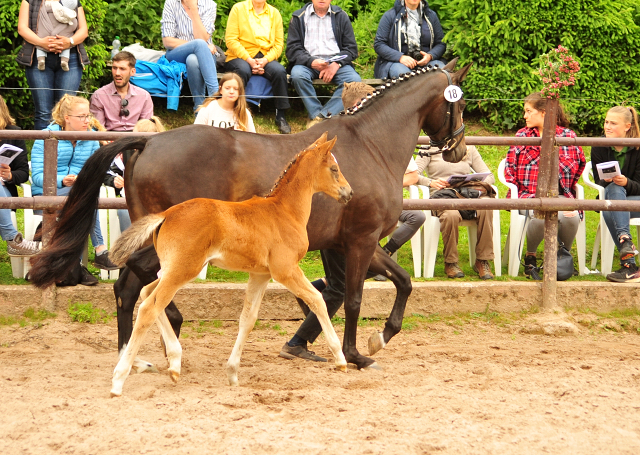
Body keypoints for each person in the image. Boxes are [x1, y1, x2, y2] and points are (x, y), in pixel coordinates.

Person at [30, 95, 119, 284]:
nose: (87, 121)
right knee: (83, 199)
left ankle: (75, 267)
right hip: (46, 194)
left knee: (81, 201)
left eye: (88, 116)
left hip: (77, 197)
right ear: (66, 118)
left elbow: (96, 173)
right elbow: (37, 177)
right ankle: (100, 251)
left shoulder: (92, 139)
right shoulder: (45, 137)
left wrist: (82, 180)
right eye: (81, 117)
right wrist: (62, 180)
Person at [505, 92, 586, 277]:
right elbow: (509, 169)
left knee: (571, 217)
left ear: (543, 113)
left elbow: (578, 165)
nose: (525, 116)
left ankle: (562, 257)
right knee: (540, 214)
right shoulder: (522, 135)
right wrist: (523, 194)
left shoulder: (568, 135)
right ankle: (530, 256)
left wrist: (569, 197)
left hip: (560, 195)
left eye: (528, 111)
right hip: (528, 195)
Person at [416, 145, 496, 280]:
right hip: (443, 195)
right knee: (451, 215)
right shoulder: (428, 148)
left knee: (486, 207)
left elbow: (490, 176)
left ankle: (483, 261)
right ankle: (451, 262)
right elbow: (413, 175)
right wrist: (431, 182)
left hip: (467, 194)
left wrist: (474, 183)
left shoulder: (468, 148)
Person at [286, 0, 361, 127]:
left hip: (335, 64)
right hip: (308, 64)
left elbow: (351, 49)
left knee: (354, 81)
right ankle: (317, 114)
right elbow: (292, 49)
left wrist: (336, 63)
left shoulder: (341, 16)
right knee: (297, 75)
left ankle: (322, 117)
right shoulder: (298, 17)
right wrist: (311, 61)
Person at [17, 0, 90, 130]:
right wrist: (41, 43)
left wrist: (70, 42)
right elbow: (22, 28)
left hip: (70, 59)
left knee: (67, 111)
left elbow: (83, 30)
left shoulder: (72, 1)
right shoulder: (29, 1)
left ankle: (65, 148)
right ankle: (43, 150)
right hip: (38, 59)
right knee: (43, 113)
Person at [224, 0, 291, 134]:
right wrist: (249, 59)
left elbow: (279, 45)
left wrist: (265, 60)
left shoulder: (274, 13)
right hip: (240, 55)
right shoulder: (238, 9)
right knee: (242, 70)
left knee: (279, 71)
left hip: (265, 57)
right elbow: (231, 39)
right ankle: (235, 113)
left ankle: (281, 115)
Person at [591, 106, 640, 283]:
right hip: (614, 196)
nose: (607, 127)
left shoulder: (638, 147)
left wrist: (626, 182)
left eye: (613, 123)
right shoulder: (599, 146)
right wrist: (609, 180)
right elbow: (598, 180)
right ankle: (626, 243)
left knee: (609, 207)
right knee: (611, 198)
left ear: (627, 126)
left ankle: (629, 266)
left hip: (636, 200)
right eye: (606, 122)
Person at [104, 117, 166, 234]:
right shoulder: (127, 152)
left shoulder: (163, 155)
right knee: (124, 211)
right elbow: (108, 174)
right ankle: (130, 249)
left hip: (157, 203)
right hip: (132, 201)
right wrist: (114, 181)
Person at [0, 95, 40, 257]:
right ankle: (13, 240)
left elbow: (23, 173)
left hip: (4, 190)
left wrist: (9, 175)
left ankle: (13, 241)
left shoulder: (13, 133)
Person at [161, 0, 219, 110]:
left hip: (204, 56)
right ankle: (215, 96)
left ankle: (198, 108)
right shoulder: (171, 3)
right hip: (176, 53)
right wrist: (197, 46)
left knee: (192, 59)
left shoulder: (210, 4)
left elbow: (201, 37)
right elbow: (167, 41)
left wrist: (193, 9)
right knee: (199, 44)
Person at [373, 0, 446, 79]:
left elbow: (441, 43)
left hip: (427, 63)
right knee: (406, 77)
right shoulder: (390, 16)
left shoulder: (431, 16)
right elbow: (379, 44)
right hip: (397, 63)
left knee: (442, 73)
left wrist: (430, 56)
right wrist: (400, 57)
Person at [90, 51, 154, 131]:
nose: (117, 73)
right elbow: (99, 129)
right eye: (114, 68)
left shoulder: (144, 96)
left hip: (135, 139)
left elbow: (146, 128)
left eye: (122, 69)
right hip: (108, 138)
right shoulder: (99, 95)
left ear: (132, 72)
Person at [35, 0, 78, 72]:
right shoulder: (71, 13)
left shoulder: (51, 6)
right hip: (61, 37)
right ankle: (64, 60)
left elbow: (42, 11)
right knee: (66, 43)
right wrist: (69, 39)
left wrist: (41, 42)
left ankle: (41, 59)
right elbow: (74, 25)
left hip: (46, 35)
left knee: (40, 43)